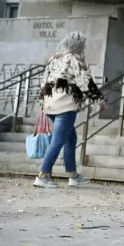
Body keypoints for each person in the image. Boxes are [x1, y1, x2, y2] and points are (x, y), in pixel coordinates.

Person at [34, 32, 105, 188]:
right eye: (83, 45)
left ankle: (73, 176)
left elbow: (44, 81)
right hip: (65, 106)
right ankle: (42, 176)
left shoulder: (54, 58)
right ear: (79, 45)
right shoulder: (74, 58)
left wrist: (42, 102)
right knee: (58, 141)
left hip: (50, 105)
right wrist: (99, 100)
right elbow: (85, 81)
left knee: (70, 140)